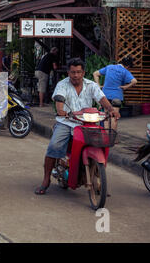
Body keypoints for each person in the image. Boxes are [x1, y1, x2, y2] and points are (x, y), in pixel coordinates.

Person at [35, 58, 120, 195]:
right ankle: (46, 180)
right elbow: (59, 99)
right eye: (73, 72)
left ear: (83, 72)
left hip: (88, 123)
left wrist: (111, 109)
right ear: (68, 72)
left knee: (100, 144)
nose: (76, 75)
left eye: (79, 72)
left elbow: (101, 98)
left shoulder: (91, 85)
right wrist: (60, 110)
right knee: (54, 147)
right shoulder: (62, 85)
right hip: (67, 122)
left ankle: (98, 180)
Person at [93, 56, 137, 131]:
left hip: (105, 96)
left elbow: (95, 73)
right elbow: (134, 81)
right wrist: (126, 87)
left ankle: (107, 138)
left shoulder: (109, 67)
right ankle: (113, 138)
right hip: (117, 96)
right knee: (114, 117)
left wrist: (98, 86)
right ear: (128, 66)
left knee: (106, 117)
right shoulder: (125, 71)